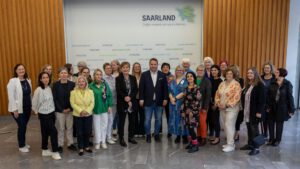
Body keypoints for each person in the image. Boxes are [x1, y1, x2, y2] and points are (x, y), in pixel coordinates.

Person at [32, 72, 61, 160]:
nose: (45, 79)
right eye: (43, 78)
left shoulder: (49, 88)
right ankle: (55, 152)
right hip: (44, 115)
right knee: (54, 132)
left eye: (47, 77)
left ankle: (44, 150)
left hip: (51, 113)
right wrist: (37, 112)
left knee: (45, 132)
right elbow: (34, 102)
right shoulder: (38, 90)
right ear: (40, 79)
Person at [139, 58, 168, 143]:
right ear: (149, 65)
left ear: (157, 65)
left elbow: (165, 89)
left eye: (155, 64)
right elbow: (141, 88)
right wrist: (141, 98)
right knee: (147, 120)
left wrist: (165, 98)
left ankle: (156, 135)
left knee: (158, 119)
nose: (153, 66)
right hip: (148, 102)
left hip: (159, 102)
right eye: (151, 64)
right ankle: (148, 135)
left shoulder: (162, 75)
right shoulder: (144, 75)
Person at [215, 67, 242, 152]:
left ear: (233, 75)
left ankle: (231, 144)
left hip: (232, 108)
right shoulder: (222, 84)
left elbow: (237, 97)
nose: (228, 75)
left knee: (229, 124)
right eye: (227, 74)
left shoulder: (236, 84)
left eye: (230, 74)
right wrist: (218, 103)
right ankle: (228, 142)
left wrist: (226, 105)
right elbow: (217, 94)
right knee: (225, 125)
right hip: (221, 107)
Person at [240, 67, 265, 156]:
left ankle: (256, 148)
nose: (249, 75)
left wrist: (259, 112)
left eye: (251, 73)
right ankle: (250, 144)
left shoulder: (260, 85)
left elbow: (262, 100)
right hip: (247, 110)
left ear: (255, 74)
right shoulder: (248, 84)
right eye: (248, 73)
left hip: (255, 112)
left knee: (254, 130)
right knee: (249, 128)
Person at [7, 64, 32, 153]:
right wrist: (14, 110)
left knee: (24, 126)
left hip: (27, 108)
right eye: (19, 69)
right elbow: (11, 96)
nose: (21, 70)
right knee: (21, 126)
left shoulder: (28, 80)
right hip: (18, 109)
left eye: (23, 69)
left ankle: (23, 143)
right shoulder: (13, 81)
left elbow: (30, 94)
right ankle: (21, 146)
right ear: (16, 71)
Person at [267, 68, 295, 146]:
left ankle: (278, 140)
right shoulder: (272, 83)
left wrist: (291, 109)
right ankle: (271, 139)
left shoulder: (287, 84)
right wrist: (267, 106)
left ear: (282, 74)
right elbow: (268, 96)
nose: (275, 73)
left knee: (279, 124)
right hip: (272, 107)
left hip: (282, 107)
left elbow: (290, 97)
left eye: (277, 72)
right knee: (271, 123)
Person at [52, 67, 77, 153]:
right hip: (60, 111)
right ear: (59, 74)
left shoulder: (72, 84)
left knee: (70, 127)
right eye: (62, 73)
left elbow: (74, 98)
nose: (63, 75)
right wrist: (61, 109)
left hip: (70, 110)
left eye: (65, 73)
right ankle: (60, 144)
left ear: (68, 74)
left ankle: (70, 143)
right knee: (61, 128)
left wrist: (70, 108)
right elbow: (54, 99)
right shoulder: (55, 85)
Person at [70, 75, 95, 156]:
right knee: (79, 132)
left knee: (88, 131)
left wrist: (87, 111)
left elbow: (92, 103)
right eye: (79, 81)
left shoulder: (90, 91)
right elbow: (72, 103)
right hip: (78, 115)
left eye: (83, 81)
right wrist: (81, 111)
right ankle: (81, 148)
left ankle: (87, 146)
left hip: (88, 114)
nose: (81, 83)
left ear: (85, 83)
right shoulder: (73, 92)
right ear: (77, 83)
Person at [89, 69, 113, 150]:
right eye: (97, 74)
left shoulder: (105, 84)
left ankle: (103, 142)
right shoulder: (90, 86)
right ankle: (98, 142)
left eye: (100, 74)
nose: (99, 76)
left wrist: (109, 105)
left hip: (105, 108)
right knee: (96, 126)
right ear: (94, 76)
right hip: (95, 109)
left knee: (104, 125)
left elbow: (109, 95)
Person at [116, 62, 139, 147]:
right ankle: (121, 138)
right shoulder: (118, 79)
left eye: (127, 67)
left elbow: (136, 89)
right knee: (121, 122)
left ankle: (131, 137)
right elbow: (118, 91)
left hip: (132, 102)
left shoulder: (133, 78)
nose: (125, 69)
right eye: (124, 67)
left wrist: (130, 98)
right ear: (121, 69)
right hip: (122, 103)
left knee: (132, 121)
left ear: (129, 68)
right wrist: (125, 97)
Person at [182, 72, 202, 153]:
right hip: (186, 111)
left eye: (191, 76)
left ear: (194, 78)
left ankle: (195, 145)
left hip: (193, 112)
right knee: (188, 128)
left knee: (191, 128)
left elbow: (198, 101)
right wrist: (182, 111)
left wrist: (193, 112)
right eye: (188, 76)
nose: (189, 78)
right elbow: (184, 100)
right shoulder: (186, 88)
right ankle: (191, 143)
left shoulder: (197, 88)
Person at [168, 65, 188, 143]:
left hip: (181, 103)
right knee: (175, 119)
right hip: (173, 103)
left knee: (183, 119)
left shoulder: (185, 81)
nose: (179, 71)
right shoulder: (172, 81)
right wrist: (171, 98)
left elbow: (184, 92)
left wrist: (175, 98)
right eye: (177, 70)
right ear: (175, 71)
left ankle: (185, 135)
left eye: (180, 70)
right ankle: (178, 135)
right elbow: (169, 91)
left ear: (183, 71)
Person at [195, 65, 211, 146]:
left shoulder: (207, 81)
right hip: (194, 106)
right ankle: (198, 136)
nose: (200, 71)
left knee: (202, 122)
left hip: (203, 106)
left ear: (204, 72)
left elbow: (208, 95)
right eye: (198, 70)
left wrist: (205, 107)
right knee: (197, 122)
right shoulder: (194, 79)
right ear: (196, 71)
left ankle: (204, 138)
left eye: (202, 70)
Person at [103, 63, 118, 144]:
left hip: (114, 102)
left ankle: (109, 136)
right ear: (104, 69)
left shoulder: (114, 78)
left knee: (111, 121)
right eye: (107, 68)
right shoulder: (102, 79)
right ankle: (107, 137)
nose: (109, 69)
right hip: (106, 103)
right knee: (107, 120)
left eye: (110, 68)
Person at [208, 65, 223, 145]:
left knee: (216, 121)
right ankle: (211, 134)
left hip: (216, 104)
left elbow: (221, 95)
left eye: (215, 70)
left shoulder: (220, 81)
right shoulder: (210, 80)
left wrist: (216, 104)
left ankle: (217, 137)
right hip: (209, 103)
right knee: (210, 120)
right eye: (212, 70)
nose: (213, 72)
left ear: (218, 71)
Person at [261, 62, 276, 139]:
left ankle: (272, 136)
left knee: (271, 120)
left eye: (268, 68)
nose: (266, 69)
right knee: (264, 119)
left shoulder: (274, 79)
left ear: (271, 69)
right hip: (263, 101)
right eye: (265, 68)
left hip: (271, 102)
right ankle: (265, 134)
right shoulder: (261, 78)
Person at [229, 65, 244, 142]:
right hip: (229, 102)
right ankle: (230, 134)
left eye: (235, 71)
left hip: (238, 103)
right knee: (230, 119)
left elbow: (241, 91)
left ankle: (237, 133)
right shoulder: (228, 79)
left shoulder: (241, 80)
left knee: (238, 119)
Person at [132, 62, 145, 137]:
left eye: (138, 67)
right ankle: (135, 131)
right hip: (134, 99)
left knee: (142, 115)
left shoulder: (143, 76)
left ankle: (142, 131)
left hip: (142, 99)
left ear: (140, 68)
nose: (137, 68)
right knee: (134, 116)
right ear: (133, 68)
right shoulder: (131, 77)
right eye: (135, 67)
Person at [161, 62, 174, 136]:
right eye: (164, 67)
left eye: (167, 67)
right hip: (160, 98)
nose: (165, 68)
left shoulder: (172, 77)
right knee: (158, 115)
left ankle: (170, 131)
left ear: (169, 68)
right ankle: (159, 131)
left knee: (169, 115)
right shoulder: (159, 75)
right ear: (162, 68)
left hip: (169, 99)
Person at [111, 59, 120, 136]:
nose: (113, 66)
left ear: (118, 65)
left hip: (120, 97)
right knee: (113, 114)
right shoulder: (109, 75)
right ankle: (113, 128)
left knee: (118, 114)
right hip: (112, 98)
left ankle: (118, 129)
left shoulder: (121, 74)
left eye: (114, 65)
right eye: (112, 65)